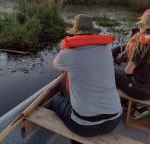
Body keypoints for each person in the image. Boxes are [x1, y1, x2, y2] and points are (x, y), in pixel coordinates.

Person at [51, 14, 122, 142]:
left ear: (75, 34)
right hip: (114, 120)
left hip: (85, 127)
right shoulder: (106, 49)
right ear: (93, 33)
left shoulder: (67, 53)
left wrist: (64, 47)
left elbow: (55, 65)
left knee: (55, 100)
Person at [114, 14, 150, 119]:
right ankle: (137, 105)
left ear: (144, 28)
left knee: (114, 73)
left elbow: (128, 71)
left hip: (139, 91)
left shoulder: (143, 45)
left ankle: (125, 103)